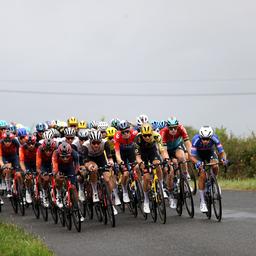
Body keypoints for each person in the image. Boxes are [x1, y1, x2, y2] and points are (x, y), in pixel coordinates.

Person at [190, 126, 227, 213]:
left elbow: (222, 152)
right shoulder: (196, 139)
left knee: (215, 166)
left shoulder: (215, 138)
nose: (205, 141)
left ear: (210, 137)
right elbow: (191, 157)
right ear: (200, 137)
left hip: (210, 152)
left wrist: (224, 159)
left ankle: (214, 181)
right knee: (202, 175)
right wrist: (198, 163)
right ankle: (203, 202)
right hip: (198, 155)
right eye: (203, 139)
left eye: (207, 139)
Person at [134, 123, 169, 213]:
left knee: (158, 165)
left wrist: (166, 158)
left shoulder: (157, 136)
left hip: (152, 151)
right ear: (142, 134)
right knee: (146, 177)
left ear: (152, 133)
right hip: (142, 154)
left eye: (149, 135)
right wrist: (140, 163)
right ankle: (146, 200)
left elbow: (162, 150)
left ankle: (161, 187)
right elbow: (137, 156)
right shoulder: (138, 138)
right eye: (145, 135)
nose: (147, 137)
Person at [82, 130, 118, 215]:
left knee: (107, 178)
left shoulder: (105, 143)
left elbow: (109, 157)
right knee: (94, 169)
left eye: (98, 143)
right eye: (94, 143)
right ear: (90, 141)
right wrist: (89, 166)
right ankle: (95, 191)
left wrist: (111, 162)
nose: (96, 145)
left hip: (101, 158)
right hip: (90, 160)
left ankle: (111, 203)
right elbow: (85, 162)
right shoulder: (85, 146)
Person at [160, 116, 192, 208]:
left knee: (182, 158)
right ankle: (170, 196)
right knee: (170, 171)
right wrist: (167, 160)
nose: (173, 130)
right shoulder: (163, 132)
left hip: (177, 147)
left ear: (177, 126)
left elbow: (187, 143)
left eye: (175, 127)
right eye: (171, 128)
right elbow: (164, 151)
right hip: (166, 150)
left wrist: (190, 154)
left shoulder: (181, 128)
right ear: (167, 127)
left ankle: (185, 177)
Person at [114, 120, 138, 203]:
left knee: (137, 168)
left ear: (130, 130)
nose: (126, 134)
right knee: (126, 173)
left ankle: (139, 186)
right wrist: (120, 161)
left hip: (131, 151)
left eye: (127, 131)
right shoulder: (117, 136)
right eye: (123, 132)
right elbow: (117, 153)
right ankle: (124, 191)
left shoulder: (134, 133)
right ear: (120, 132)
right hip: (122, 153)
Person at [19, 134, 40, 204]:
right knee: (28, 176)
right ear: (26, 143)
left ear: (35, 142)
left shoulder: (39, 146)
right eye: (29, 144)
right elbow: (21, 161)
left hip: (36, 162)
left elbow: (41, 160)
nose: (31, 145)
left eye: (32, 143)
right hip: (26, 163)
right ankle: (28, 192)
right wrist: (25, 171)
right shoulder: (22, 148)